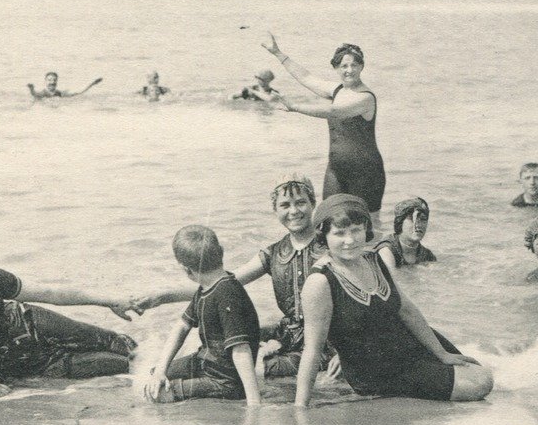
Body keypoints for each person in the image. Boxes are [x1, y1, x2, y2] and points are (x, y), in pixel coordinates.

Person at [295, 194, 493, 407]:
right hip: (378, 370)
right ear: (323, 237)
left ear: (366, 229)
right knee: (480, 384)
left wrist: (442, 353)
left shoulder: (373, 258)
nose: (350, 240)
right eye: (339, 233)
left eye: (356, 230)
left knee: (479, 372)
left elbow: (405, 308)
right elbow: (312, 349)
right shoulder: (320, 281)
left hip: (407, 346)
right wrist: (301, 406)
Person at [135, 174, 333, 378]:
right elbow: (222, 284)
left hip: (327, 341)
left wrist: (346, 357)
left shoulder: (330, 247)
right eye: (285, 205)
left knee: (255, 371)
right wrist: (161, 297)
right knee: (220, 352)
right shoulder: (274, 253)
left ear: (313, 203)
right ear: (275, 210)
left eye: (300, 202)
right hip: (287, 334)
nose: (293, 211)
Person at [0, 224, 139, 401]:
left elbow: (50, 293)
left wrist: (108, 301)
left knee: (117, 342)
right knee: (118, 365)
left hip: (26, 321)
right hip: (16, 365)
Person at [261, 35, 386, 221]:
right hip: (336, 170)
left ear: (362, 66)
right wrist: (278, 53)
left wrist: (296, 107)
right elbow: (306, 77)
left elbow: (334, 112)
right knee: (328, 220)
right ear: (336, 68)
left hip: (366, 172)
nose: (349, 70)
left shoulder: (365, 97)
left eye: (354, 65)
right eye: (344, 66)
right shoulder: (337, 90)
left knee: (368, 225)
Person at [143, 226, 261, 405]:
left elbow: (240, 349)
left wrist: (254, 402)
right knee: (152, 376)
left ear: (186, 270)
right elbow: (182, 326)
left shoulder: (227, 293)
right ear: (221, 252)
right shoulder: (206, 288)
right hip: (205, 363)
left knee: (156, 395)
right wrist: (160, 370)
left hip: (225, 381)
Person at [376, 197, 437, 268]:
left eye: (423, 219)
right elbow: (391, 277)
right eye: (411, 219)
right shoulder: (387, 250)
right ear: (400, 222)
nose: (418, 225)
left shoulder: (427, 255)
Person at [27, 72, 102, 100]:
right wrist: (31, 89)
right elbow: (36, 95)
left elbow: (78, 92)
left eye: (54, 80)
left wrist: (92, 83)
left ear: (57, 81)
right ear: (45, 81)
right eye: (49, 80)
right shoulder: (43, 93)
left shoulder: (60, 93)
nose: (52, 82)